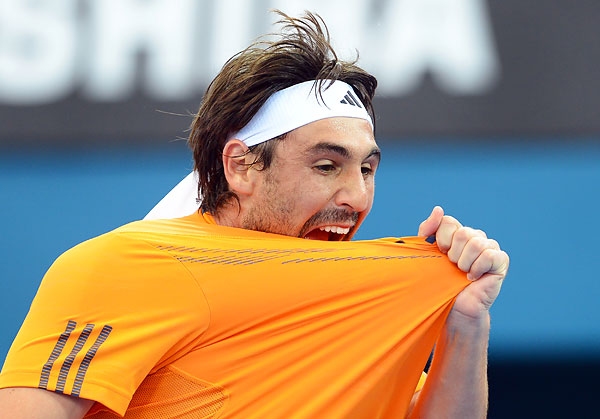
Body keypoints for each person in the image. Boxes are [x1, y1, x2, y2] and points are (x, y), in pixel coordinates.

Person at [0, 10, 508, 419]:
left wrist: (466, 321)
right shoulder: (120, 269)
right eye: (326, 165)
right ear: (241, 166)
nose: (357, 196)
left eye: (367, 169)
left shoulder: (353, 305)